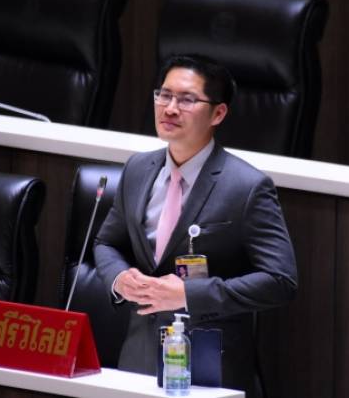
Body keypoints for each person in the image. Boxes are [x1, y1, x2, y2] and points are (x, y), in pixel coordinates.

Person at [93, 54, 297, 397]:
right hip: (137, 358)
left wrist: (189, 295)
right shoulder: (137, 169)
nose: (170, 108)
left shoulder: (246, 186)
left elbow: (281, 281)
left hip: (209, 365)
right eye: (164, 95)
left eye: (187, 100)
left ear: (218, 113)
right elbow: (106, 243)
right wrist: (119, 278)